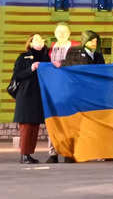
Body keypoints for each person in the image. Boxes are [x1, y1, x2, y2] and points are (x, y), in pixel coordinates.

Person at [13, 34, 50, 163]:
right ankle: (24, 155)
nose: (40, 41)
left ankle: (28, 154)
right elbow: (17, 75)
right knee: (26, 127)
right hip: (26, 96)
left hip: (39, 97)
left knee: (34, 127)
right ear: (30, 43)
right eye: (36, 39)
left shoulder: (46, 57)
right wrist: (31, 68)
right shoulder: (23, 57)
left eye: (42, 39)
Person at [46, 22, 79, 163]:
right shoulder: (50, 49)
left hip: (70, 89)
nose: (61, 34)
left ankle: (69, 153)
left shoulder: (76, 46)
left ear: (69, 33)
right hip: (52, 90)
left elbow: (79, 64)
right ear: (54, 33)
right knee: (52, 121)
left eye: (64, 31)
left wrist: (62, 64)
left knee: (70, 121)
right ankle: (53, 153)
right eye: (59, 31)